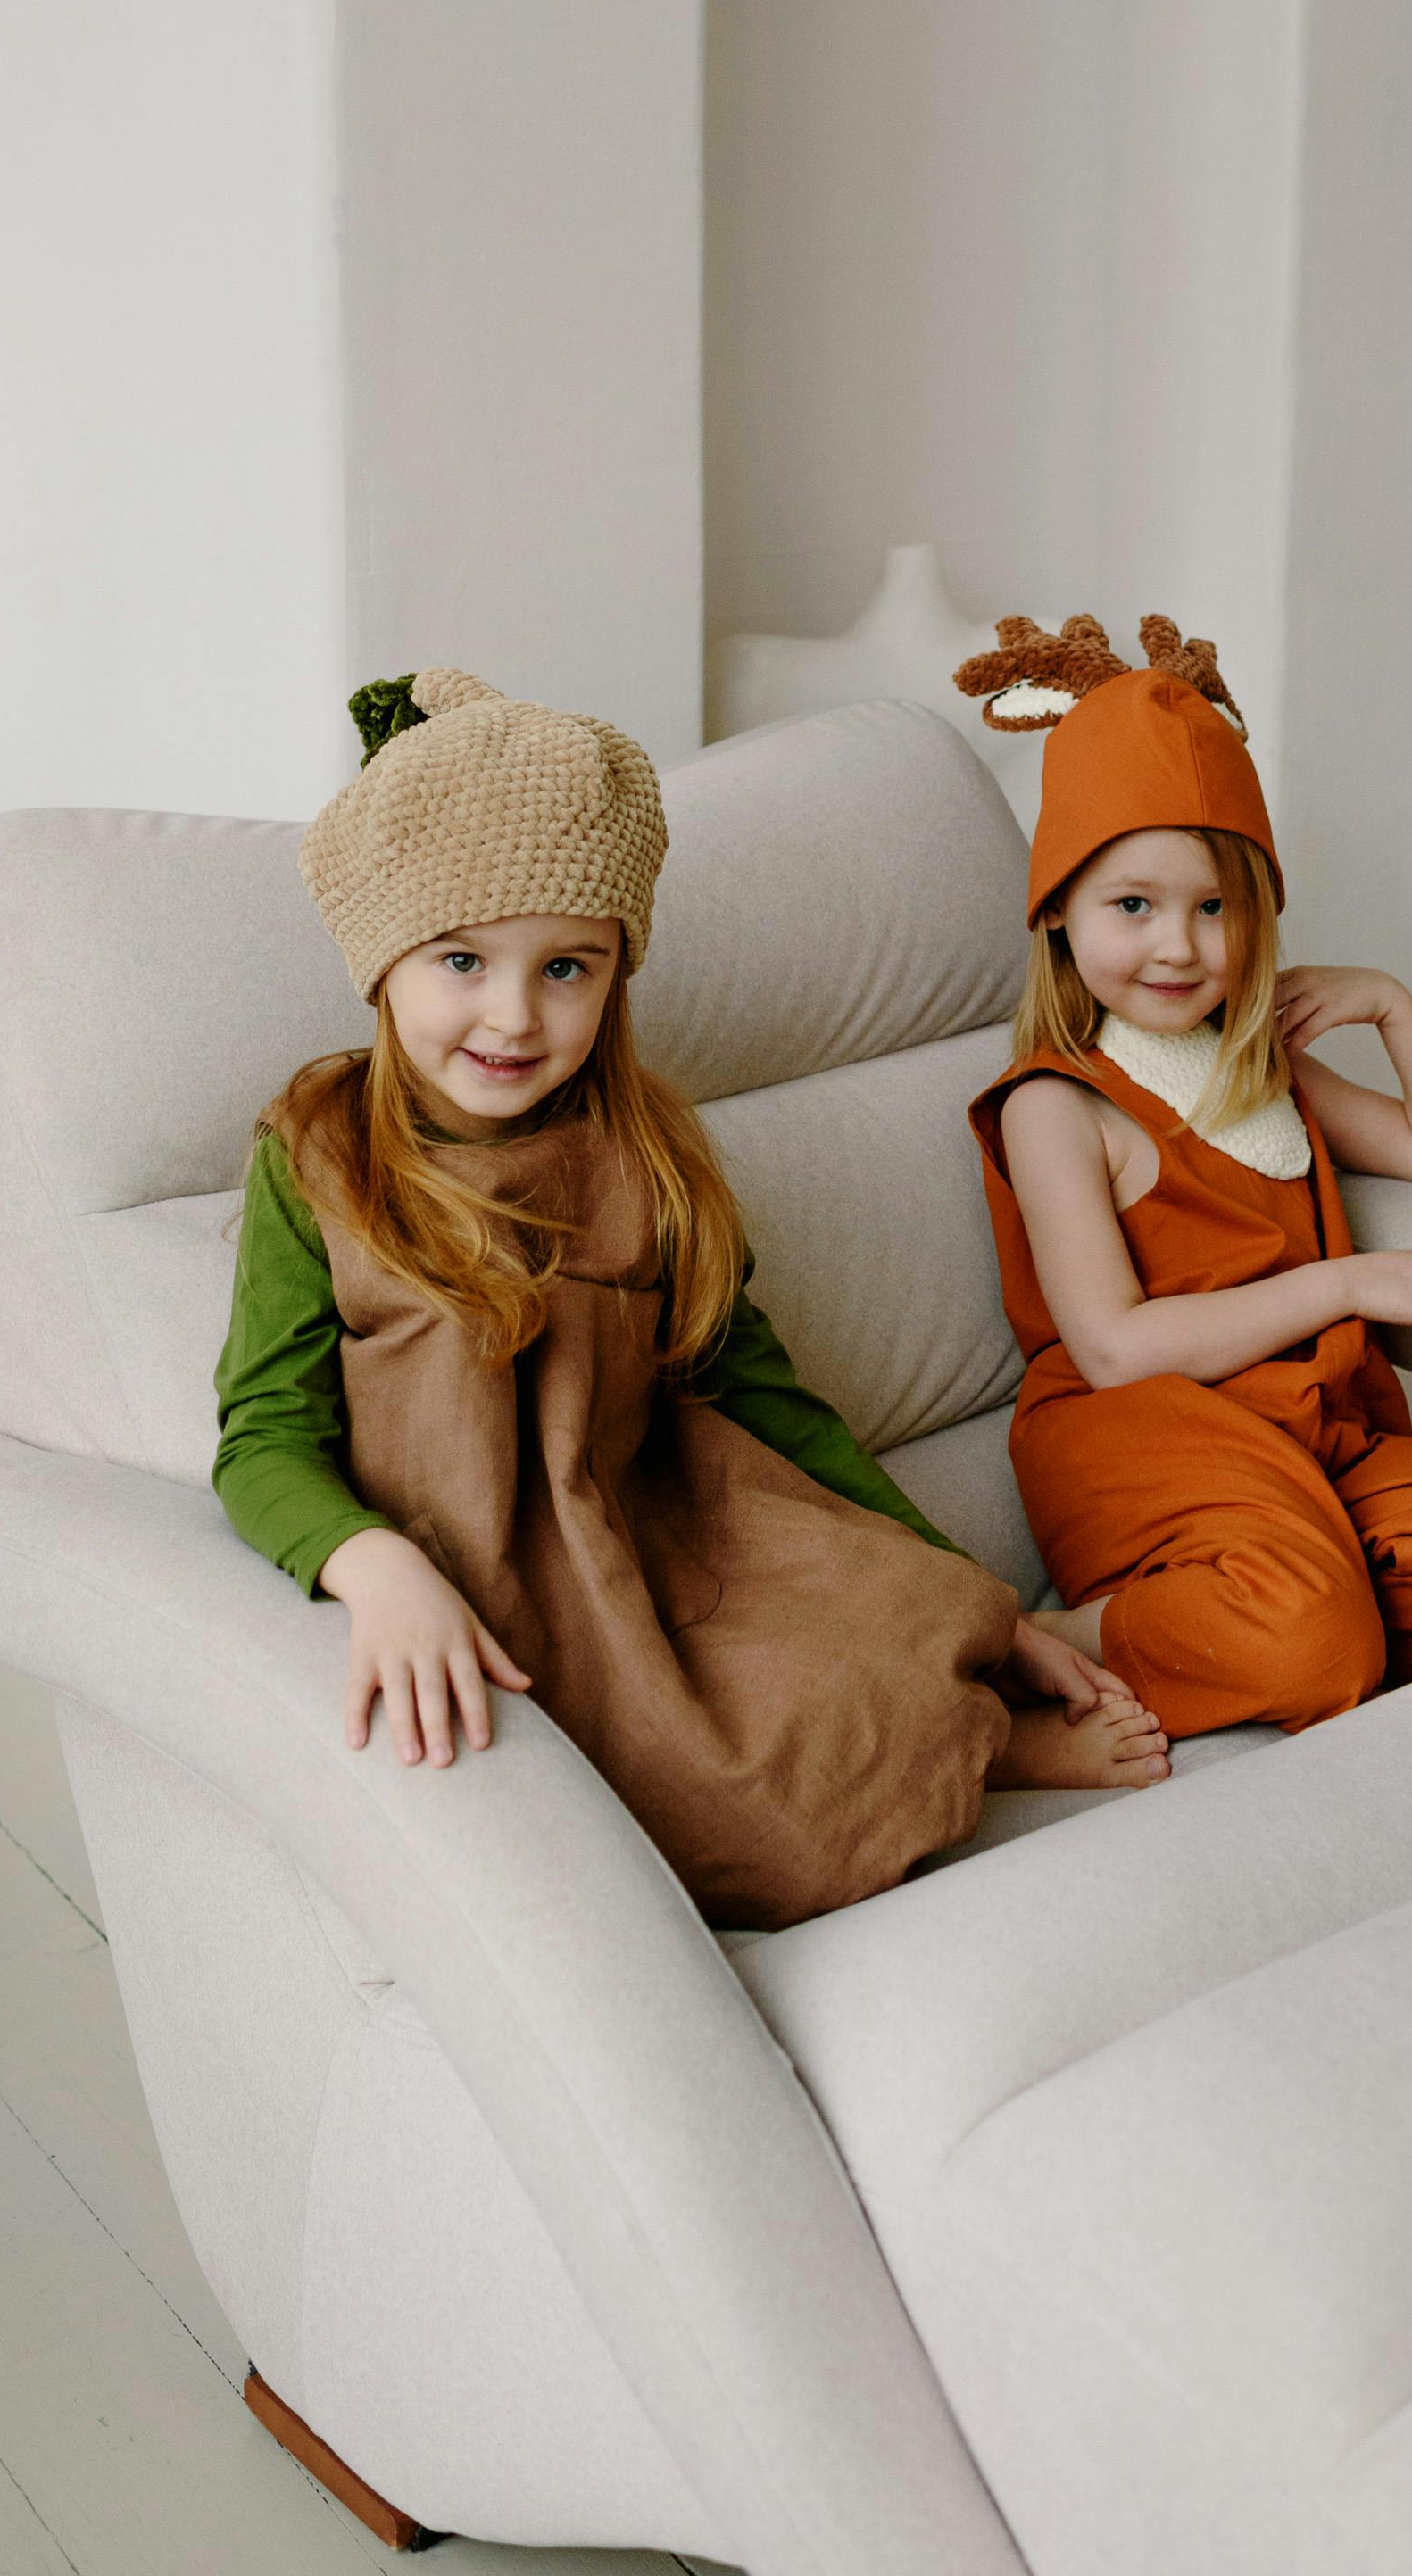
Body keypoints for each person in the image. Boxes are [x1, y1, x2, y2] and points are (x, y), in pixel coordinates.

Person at [212, 665, 1167, 1936]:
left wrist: (971, 1608)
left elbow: (759, 1393)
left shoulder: (644, 1150)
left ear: (617, 974)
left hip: (670, 1538)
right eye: (460, 960)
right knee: (708, 1788)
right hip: (484, 1574)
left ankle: (969, 1736)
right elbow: (262, 1435)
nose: (511, 1015)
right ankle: (949, 1759)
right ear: (380, 963)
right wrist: (370, 1566)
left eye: (567, 968)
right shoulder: (318, 1151)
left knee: (869, 1641)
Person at [956, 610, 1412, 1740]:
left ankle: (1310, 1589)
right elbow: (1113, 1346)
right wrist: (1348, 1287)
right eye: (1132, 905)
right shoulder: (1062, 1101)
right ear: (1057, 913)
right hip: (1150, 1432)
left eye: (1215, 907)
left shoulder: (1265, 1073)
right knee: (1312, 1642)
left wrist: (1392, 1003)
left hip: (1314, 1427)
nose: (1178, 947)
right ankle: (1056, 1641)